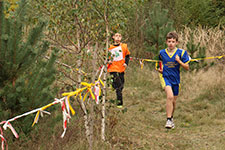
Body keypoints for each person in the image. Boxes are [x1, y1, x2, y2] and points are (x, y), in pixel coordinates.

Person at [157, 31, 190, 129]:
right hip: (165, 78)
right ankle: (168, 120)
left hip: (176, 79)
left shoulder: (181, 53)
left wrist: (179, 61)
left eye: (173, 41)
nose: (171, 43)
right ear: (166, 42)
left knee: (173, 101)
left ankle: (171, 118)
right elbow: (158, 64)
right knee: (170, 97)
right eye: (169, 41)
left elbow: (187, 67)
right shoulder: (162, 53)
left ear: (177, 43)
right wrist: (159, 70)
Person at [107, 32, 130, 108]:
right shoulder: (109, 47)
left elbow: (127, 56)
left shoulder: (124, 46)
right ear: (113, 37)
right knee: (119, 86)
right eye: (116, 36)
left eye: (120, 36)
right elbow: (105, 57)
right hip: (113, 68)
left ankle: (112, 84)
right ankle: (119, 103)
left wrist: (126, 63)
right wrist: (108, 61)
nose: (118, 37)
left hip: (121, 68)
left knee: (122, 85)